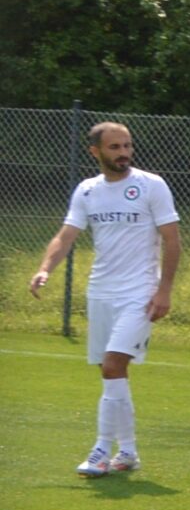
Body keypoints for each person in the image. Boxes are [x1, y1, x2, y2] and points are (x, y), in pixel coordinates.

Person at [29, 121, 180, 478]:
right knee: (112, 374)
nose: (124, 153)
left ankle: (100, 451)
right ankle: (127, 452)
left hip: (139, 294)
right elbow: (66, 236)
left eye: (127, 146)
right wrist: (45, 268)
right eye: (115, 147)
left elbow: (172, 239)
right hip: (100, 292)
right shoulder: (87, 191)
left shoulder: (151, 185)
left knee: (113, 365)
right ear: (95, 151)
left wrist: (164, 290)